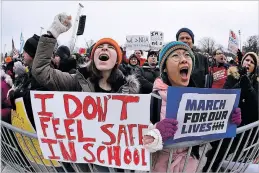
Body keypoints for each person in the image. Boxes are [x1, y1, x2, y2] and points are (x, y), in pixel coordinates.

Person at [141, 41, 241, 173]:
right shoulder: (152, 100)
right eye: (176, 56)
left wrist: (227, 119)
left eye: (187, 55)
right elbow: (133, 142)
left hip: (192, 166)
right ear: (164, 67)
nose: (183, 60)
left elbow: (209, 133)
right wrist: (155, 133)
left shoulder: (201, 98)